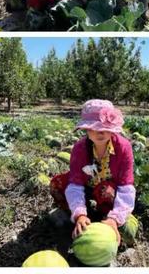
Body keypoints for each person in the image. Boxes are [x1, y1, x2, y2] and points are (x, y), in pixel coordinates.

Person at [49, 100, 135, 244]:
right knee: (57, 184)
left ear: (113, 128)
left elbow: (125, 186)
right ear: (86, 130)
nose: (99, 132)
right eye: (93, 128)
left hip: (108, 190)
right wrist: (79, 214)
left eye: (104, 127)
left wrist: (115, 218)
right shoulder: (79, 148)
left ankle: (108, 218)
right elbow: (75, 184)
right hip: (86, 185)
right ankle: (79, 213)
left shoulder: (123, 147)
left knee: (106, 191)